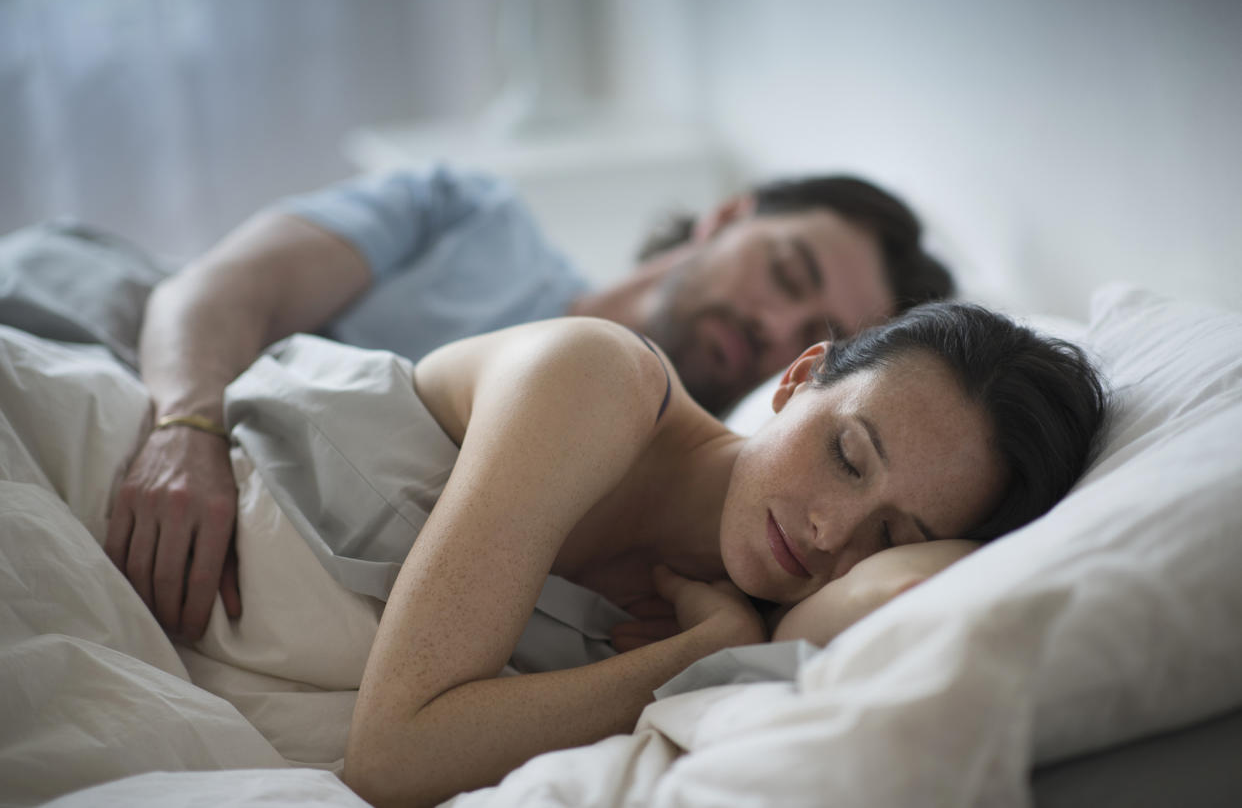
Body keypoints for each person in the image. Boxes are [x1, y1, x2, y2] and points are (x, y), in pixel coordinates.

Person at [296, 301, 1104, 807]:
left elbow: (909, 597)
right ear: (796, 380)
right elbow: (392, 759)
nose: (832, 532)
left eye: (891, 534)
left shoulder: (770, 601)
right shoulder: (598, 380)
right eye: (848, 457)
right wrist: (701, 655)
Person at [109, 165, 955, 641]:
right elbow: (216, 287)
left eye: (814, 328)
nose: (771, 324)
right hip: (142, 357)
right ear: (727, 216)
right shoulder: (472, 217)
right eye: (785, 271)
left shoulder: (677, 525)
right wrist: (186, 425)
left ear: (812, 377)